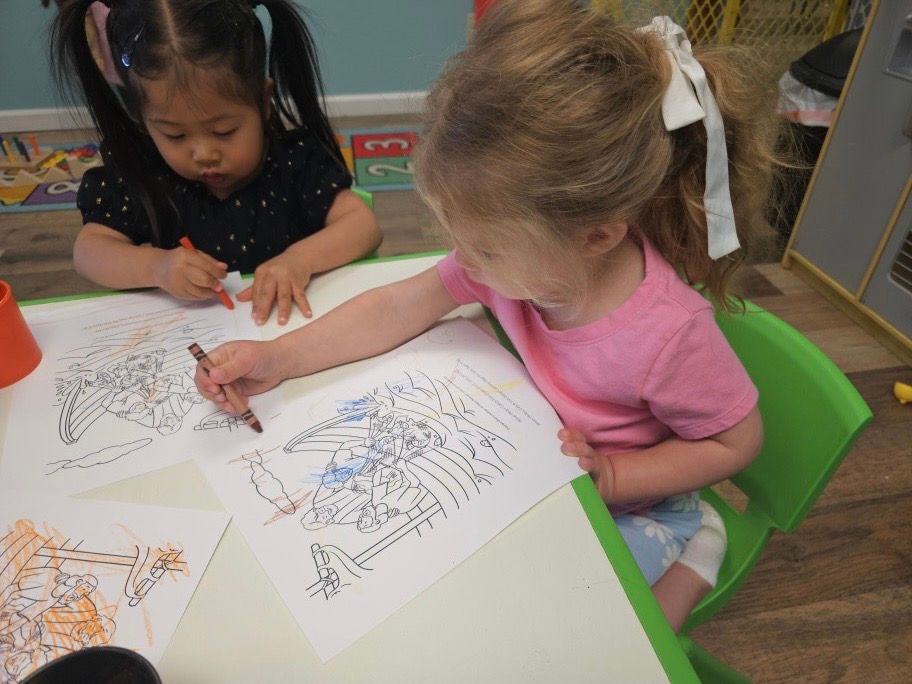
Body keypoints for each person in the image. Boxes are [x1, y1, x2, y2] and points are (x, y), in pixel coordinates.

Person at [193, 0, 779, 631]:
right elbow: (398, 304)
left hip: (634, 500)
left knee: (553, 629)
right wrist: (276, 359)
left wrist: (613, 474)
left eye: (487, 249)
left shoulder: (668, 334)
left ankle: (699, 547)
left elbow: (734, 441)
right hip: (535, 462)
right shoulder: (523, 258)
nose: (465, 262)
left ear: (597, 236)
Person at [51, 0, 381, 326]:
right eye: (175, 136)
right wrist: (157, 267)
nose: (204, 153)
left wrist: (299, 260)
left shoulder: (297, 162)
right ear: (143, 120)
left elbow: (363, 226)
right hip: (201, 337)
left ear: (263, 103)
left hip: (295, 325)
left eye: (224, 131)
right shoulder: (140, 173)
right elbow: (89, 252)